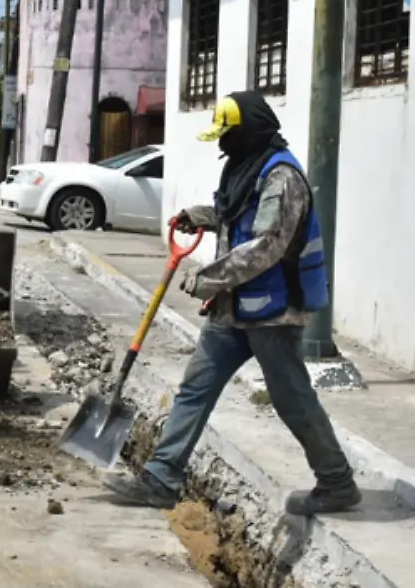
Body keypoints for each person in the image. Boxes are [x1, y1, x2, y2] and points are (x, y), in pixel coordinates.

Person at [101, 90, 360, 517]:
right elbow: (236, 212)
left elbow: (266, 245)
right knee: (196, 387)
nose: (223, 145)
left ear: (250, 132)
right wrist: (201, 215)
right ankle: (162, 478)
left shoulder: (282, 178)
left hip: (275, 311)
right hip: (235, 308)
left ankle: (337, 482)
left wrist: (208, 278)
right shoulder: (247, 167)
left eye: (228, 135)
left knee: (291, 397)